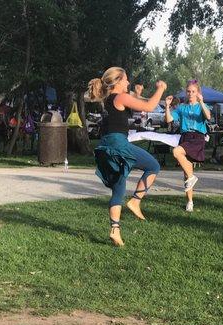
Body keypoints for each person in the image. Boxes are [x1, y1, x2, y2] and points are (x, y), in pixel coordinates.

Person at [88, 67, 166, 246]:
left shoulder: (108, 100)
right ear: (117, 82)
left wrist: (138, 95)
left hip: (105, 146)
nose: (128, 83)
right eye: (126, 80)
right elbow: (149, 106)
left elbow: (135, 105)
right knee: (153, 166)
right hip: (118, 143)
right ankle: (136, 201)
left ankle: (115, 230)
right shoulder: (120, 96)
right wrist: (161, 88)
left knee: (118, 188)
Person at [164, 80, 211, 212]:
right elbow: (168, 120)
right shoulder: (181, 107)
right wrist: (167, 106)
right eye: (188, 91)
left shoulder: (201, 105)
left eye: (193, 91)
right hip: (185, 137)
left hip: (197, 137)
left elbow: (208, 116)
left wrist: (201, 102)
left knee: (176, 152)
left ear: (198, 93)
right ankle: (190, 201)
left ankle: (192, 178)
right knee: (186, 173)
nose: (190, 94)